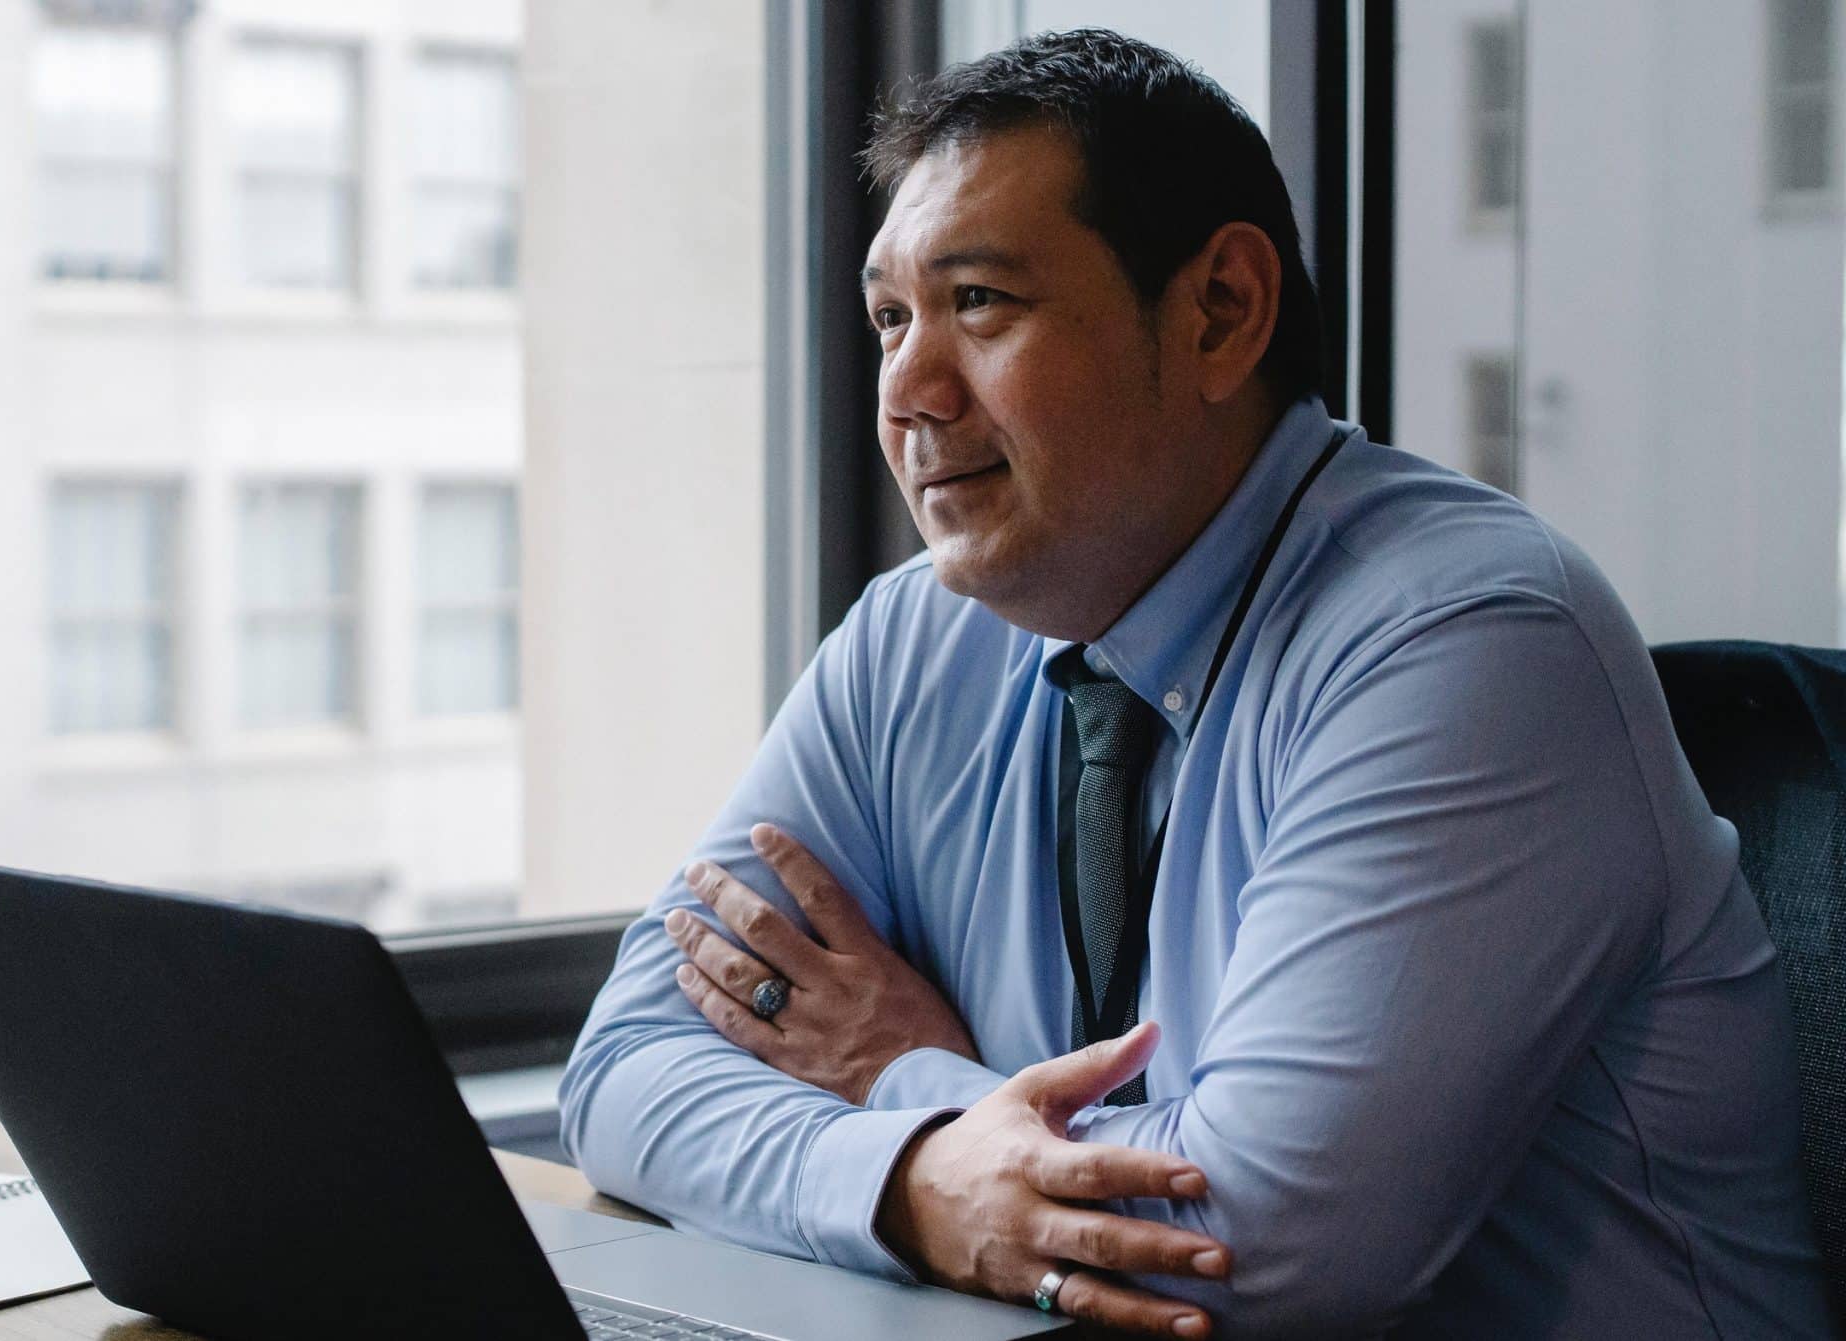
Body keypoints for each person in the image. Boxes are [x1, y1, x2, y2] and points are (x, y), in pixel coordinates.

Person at [558, 28, 1831, 1340]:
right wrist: (922, 1174)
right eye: (892, 318)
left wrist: (895, 1070)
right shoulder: (909, 641)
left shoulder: (1472, 640)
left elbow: (1250, 1247)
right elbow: (624, 1068)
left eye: (981, 302)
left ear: (1221, 308)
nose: (908, 391)